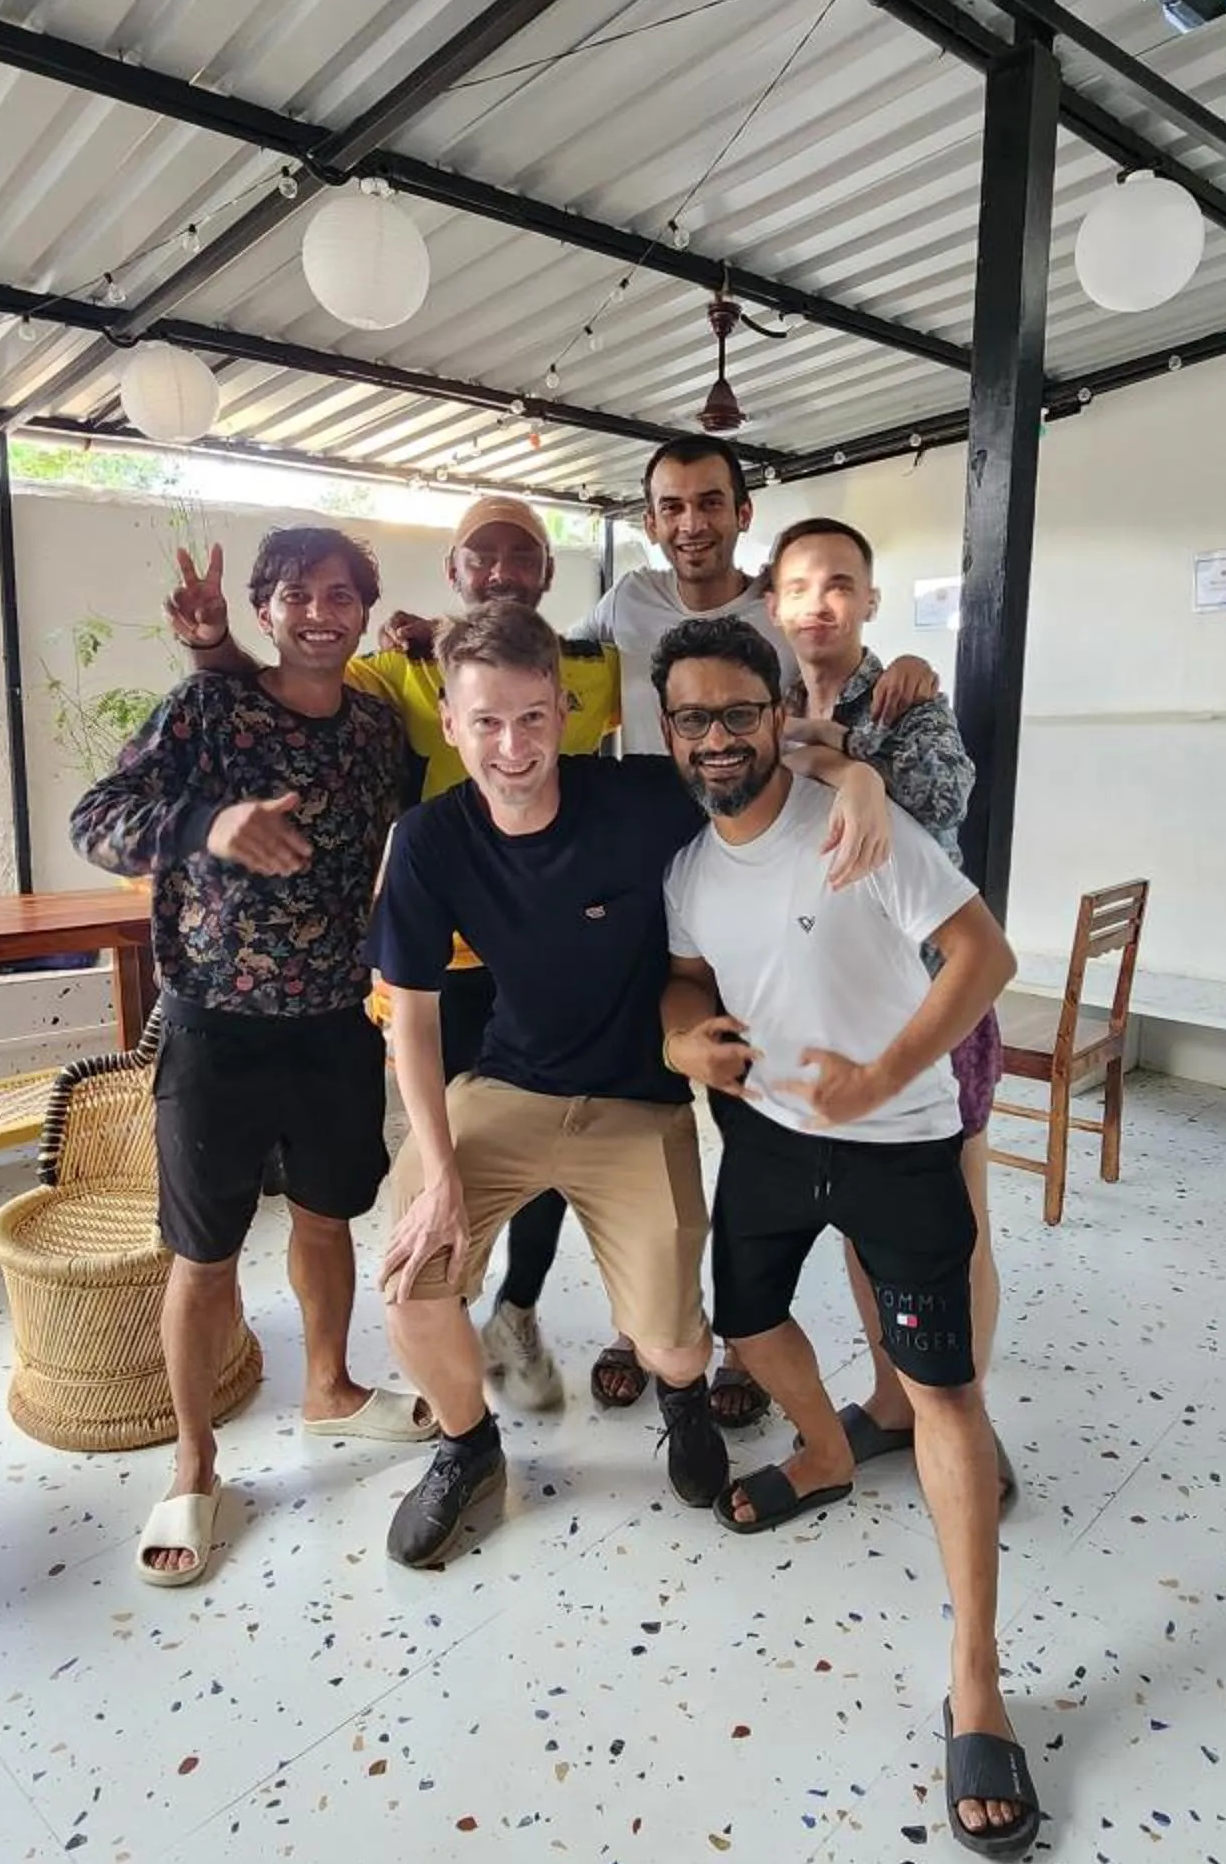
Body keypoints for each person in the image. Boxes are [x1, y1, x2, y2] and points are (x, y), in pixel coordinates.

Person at [365, 600, 892, 1569]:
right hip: (506, 1088)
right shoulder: (430, 839)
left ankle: (682, 1399)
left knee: (672, 1344)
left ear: (565, 712)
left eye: (532, 717)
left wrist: (856, 776)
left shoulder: (640, 799)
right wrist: (436, 1176)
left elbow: (761, 752)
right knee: (411, 1277)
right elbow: (414, 1018)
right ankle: (466, 1446)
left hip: (638, 1100)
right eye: (486, 722)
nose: (512, 747)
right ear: (448, 723)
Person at [655, 616, 1039, 1864]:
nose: (716, 739)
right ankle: (823, 1451)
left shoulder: (859, 826)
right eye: (692, 719)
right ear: (668, 732)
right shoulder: (687, 871)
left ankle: (974, 1682)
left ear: (781, 718)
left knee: (942, 1395)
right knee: (749, 1321)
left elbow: (984, 955)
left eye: (738, 713)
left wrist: (883, 1076)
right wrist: (678, 1033)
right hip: (767, 1139)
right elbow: (685, 973)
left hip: (899, 1144)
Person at [166, 495, 619, 1419]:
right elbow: (288, 677)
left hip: (531, 963)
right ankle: (437, 1314)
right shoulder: (394, 675)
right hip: (423, 970)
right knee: (438, 1149)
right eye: (481, 556)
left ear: (548, 572)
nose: (502, 571)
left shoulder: (592, 670)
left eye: (521, 556)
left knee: (545, 1144)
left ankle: (515, 1310)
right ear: (453, 571)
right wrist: (212, 648)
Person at [566, 434, 942, 1424]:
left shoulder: (773, 616)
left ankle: (748, 1337)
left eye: (709, 502)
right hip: (654, 881)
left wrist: (866, 752)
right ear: (650, 519)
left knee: (757, 1111)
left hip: (768, 871)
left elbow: (829, 706)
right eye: (670, 506)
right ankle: (643, 1321)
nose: (689, 524)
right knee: (641, 1108)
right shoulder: (622, 605)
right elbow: (536, 672)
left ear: (743, 514)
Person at [71, 528, 416, 1590]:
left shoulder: (377, 726)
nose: (320, 612)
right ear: (264, 612)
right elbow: (97, 820)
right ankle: (194, 1460)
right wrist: (210, 826)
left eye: (341, 595)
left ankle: (331, 1388)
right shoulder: (205, 710)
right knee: (205, 1251)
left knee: (328, 1215)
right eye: (296, 595)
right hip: (214, 1023)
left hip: (335, 1020)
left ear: (365, 612)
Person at [766, 514, 1013, 1499]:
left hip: (930, 999)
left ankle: (963, 1414)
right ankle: (891, 1398)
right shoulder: (765, 704)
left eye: (840, 583)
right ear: (773, 603)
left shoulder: (907, 700)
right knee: (865, 1224)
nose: (819, 603)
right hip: (827, 1005)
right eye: (799, 586)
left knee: (955, 1224)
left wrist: (849, 755)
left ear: (869, 599)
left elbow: (941, 809)